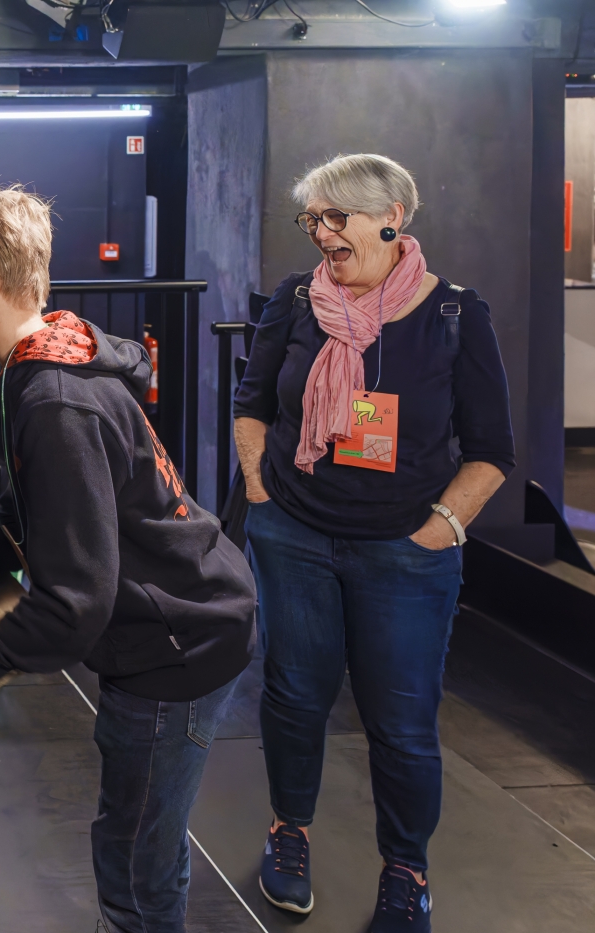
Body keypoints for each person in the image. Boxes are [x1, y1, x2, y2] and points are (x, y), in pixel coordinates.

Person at [0, 187, 256, 933]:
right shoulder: (52, 355)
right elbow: (37, 514)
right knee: (146, 846)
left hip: (174, 643)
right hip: (180, 622)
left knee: (131, 866)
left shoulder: (54, 399)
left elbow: (74, 599)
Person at [233, 154, 513, 933]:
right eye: (312, 221)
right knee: (293, 696)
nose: (322, 236)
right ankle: (289, 832)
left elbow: (492, 448)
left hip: (405, 552)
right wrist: (259, 489)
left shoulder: (456, 314)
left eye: (336, 218)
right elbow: (252, 403)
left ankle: (406, 869)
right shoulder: (297, 302)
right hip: (295, 534)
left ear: (392, 215)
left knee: (402, 721)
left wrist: (443, 528)